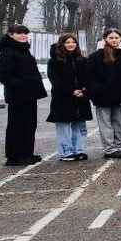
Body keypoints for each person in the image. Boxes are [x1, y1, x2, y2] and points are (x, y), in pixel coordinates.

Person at [0, 24, 47, 166]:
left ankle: (26, 153)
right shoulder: (9, 51)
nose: (23, 36)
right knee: (17, 125)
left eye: (25, 33)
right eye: (19, 33)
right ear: (11, 34)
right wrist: (20, 85)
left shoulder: (23, 49)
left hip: (29, 95)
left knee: (29, 124)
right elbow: (0, 73)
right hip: (18, 96)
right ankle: (14, 156)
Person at [84, 28, 121, 159]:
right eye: (111, 38)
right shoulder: (95, 57)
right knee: (105, 123)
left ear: (120, 39)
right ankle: (109, 148)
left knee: (119, 122)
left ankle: (119, 145)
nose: (114, 40)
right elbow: (89, 76)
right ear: (105, 39)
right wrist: (95, 91)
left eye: (116, 38)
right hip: (102, 96)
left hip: (120, 96)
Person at [47, 33, 92, 162]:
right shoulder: (55, 62)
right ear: (61, 44)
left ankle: (79, 149)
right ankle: (66, 152)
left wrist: (84, 90)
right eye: (67, 42)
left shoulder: (82, 60)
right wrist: (71, 91)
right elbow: (55, 80)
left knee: (80, 124)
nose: (71, 44)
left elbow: (89, 77)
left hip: (81, 98)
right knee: (64, 126)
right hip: (63, 98)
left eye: (73, 42)